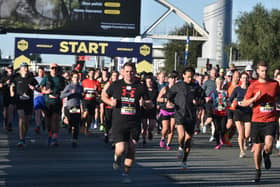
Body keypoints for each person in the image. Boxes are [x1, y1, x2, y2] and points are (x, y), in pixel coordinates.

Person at [101, 62, 151, 183]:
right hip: (119, 122)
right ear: (122, 72)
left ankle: (126, 173)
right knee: (121, 149)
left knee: (132, 149)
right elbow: (103, 95)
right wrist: (109, 102)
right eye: (127, 71)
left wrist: (145, 104)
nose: (129, 74)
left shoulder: (140, 86)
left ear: (135, 72)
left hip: (134, 122)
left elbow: (150, 103)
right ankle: (117, 159)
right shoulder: (116, 85)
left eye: (132, 71)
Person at [241, 61, 280, 182]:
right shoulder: (253, 85)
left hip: (270, 119)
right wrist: (254, 98)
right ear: (257, 71)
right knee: (257, 148)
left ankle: (267, 154)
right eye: (262, 70)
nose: (264, 73)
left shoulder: (274, 84)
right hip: (257, 120)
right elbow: (244, 103)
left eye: (266, 70)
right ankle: (258, 170)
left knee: (268, 145)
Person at [167, 67, 205, 169]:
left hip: (191, 115)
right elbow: (169, 95)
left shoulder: (195, 87)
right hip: (180, 113)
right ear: (183, 75)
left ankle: (184, 160)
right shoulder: (178, 86)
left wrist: (198, 102)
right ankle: (180, 147)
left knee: (189, 139)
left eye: (191, 77)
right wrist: (169, 102)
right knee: (182, 135)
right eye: (188, 77)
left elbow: (202, 98)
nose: (189, 79)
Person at [10, 62, 38, 147]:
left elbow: (39, 88)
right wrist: (12, 91)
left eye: (27, 67)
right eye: (24, 67)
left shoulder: (31, 79)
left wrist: (34, 88)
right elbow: (12, 85)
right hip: (20, 102)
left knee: (26, 121)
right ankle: (21, 139)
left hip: (28, 102)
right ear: (21, 69)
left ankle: (23, 137)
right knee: (21, 118)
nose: (26, 69)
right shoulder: (17, 78)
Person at [40, 63, 66, 146]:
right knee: (48, 121)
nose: (54, 69)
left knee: (55, 119)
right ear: (50, 69)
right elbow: (40, 88)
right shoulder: (46, 78)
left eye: (56, 68)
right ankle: (50, 135)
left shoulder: (61, 79)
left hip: (57, 102)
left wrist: (61, 94)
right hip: (48, 102)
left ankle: (55, 137)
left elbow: (64, 89)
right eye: (52, 68)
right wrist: (46, 92)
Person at [229, 72, 252, 157]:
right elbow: (230, 99)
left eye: (246, 78)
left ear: (248, 79)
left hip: (248, 112)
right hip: (238, 112)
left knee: (247, 134)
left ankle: (246, 141)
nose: (245, 79)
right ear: (240, 79)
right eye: (243, 78)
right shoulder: (237, 89)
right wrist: (232, 103)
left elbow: (254, 99)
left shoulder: (250, 89)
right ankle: (242, 151)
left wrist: (252, 103)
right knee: (241, 133)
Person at [60, 71, 83, 148]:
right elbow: (62, 95)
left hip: (77, 107)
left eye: (77, 77)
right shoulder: (69, 86)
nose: (76, 79)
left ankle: (74, 140)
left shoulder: (80, 87)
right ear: (72, 78)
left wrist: (82, 95)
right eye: (75, 77)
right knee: (71, 123)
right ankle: (67, 124)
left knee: (76, 125)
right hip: (69, 106)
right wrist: (70, 93)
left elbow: (81, 97)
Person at [157, 72, 177, 150]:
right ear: (168, 79)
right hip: (165, 110)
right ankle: (162, 138)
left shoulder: (178, 89)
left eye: (175, 78)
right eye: (172, 78)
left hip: (174, 110)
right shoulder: (165, 88)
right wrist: (166, 100)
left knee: (172, 128)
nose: (173, 80)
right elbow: (158, 99)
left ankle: (168, 144)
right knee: (165, 128)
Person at [208, 77, 228, 150]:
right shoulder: (213, 92)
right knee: (217, 128)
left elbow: (228, 101)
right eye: (218, 83)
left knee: (223, 128)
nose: (219, 84)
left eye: (221, 83)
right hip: (215, 113)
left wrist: (227, 103)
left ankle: (222, 137)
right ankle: (217, 143)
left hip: (223, 113)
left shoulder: (225, 92)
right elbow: (209, 101)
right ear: (216, 83)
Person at [81, 68, 101, 135]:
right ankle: (82, 126)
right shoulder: (84, 81)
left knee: (90, 116)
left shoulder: (97, 82)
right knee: (85, 113)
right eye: (91, 73)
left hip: (93, 100)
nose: (92, 74)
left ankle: (87, 129)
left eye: (93, 73)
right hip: (85, 100)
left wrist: (96, 91)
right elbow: (81, 91)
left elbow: (99, 94)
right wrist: (83, 93)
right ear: (88, 74)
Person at [102, 70, 119, 143]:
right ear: (111, 76)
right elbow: (103, 94)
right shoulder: (108, 84)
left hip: (117, 107)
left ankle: (114, 138)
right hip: (109, 106)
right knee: (108, 121)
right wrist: (109, 100)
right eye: (114, 75)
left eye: (117, 76)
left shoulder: (119, 84)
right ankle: (106, 133)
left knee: (115, 122)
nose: (115, 77)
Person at [34, 67, 45, 134]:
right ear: (38, 72)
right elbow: (32, 87)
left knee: (44, 113)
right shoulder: (35, 79)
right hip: (36, 97)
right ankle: (38, 126)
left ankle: (44, 121)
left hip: (43, 97)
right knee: (37, 112)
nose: (41, 73)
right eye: (39, 71)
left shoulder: (45, 79)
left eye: (42, 71)